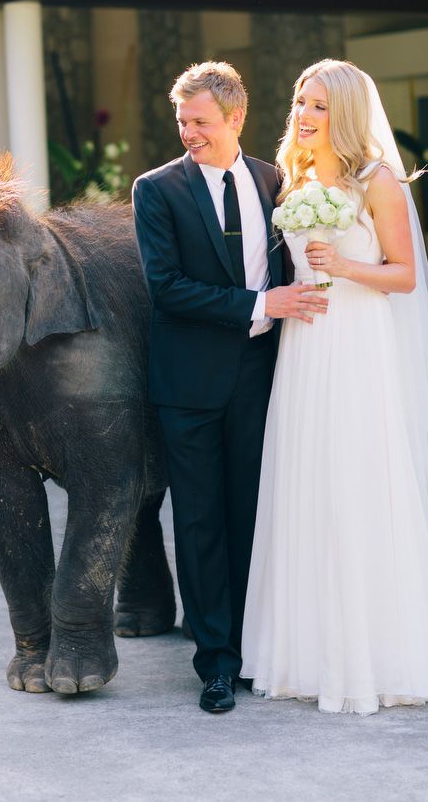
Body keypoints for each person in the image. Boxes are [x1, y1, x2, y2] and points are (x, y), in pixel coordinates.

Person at [132, 61, 328, 713]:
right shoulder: (155, 190)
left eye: (200, 121)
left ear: (236, 117)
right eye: (181, 121)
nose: (188, 132)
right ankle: (215, 663)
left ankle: (251, 649)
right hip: (186, 386)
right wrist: (260, 306)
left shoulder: (275, 182)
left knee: (252, 516)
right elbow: (167, 288)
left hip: (258, 379)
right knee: (199, 523)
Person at [241, 58, 428, 715]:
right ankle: (304, 653)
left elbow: (405, 275)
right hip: (304, 347)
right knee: (307, 483)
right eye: (299, 100)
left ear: (344, 113)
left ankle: (371, 654)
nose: (303, 114)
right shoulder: (291, 178)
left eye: (318, 105)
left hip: (357, 347)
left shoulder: (378, 180)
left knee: (356, 482)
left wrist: (347, 266)